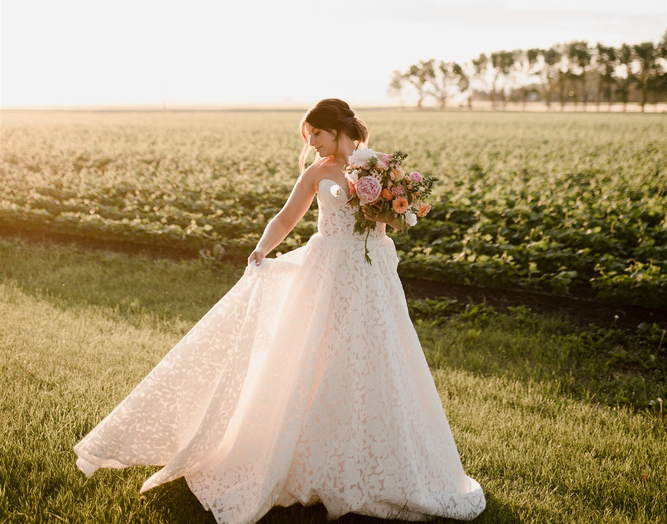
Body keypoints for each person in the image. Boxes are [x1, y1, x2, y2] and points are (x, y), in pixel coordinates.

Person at [73, 98, 485, 523]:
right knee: (316, 356)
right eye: (310, 138)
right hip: (327, 271)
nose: (314, 144)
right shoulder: (317, 172)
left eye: (317, 135)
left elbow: (400, 223)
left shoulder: (379, 168)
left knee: (374, 357)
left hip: (371, 272)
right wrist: (262, 248)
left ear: (336, 129)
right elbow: (287, 217)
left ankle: (372, 461)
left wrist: (385, 205)